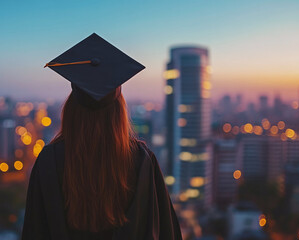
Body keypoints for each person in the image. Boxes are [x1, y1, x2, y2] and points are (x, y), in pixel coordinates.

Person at [22, 33, 182, 240]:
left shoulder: (49, 160)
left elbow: (35, 230)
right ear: (119, 111)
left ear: (71, 108)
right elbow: (165, 232)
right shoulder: (142, 160)